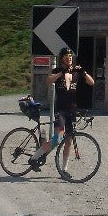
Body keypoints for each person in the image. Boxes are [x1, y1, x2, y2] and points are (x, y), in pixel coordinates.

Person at [29, 47, 94, 177]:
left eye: (70, 57)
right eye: (66, 57)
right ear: (62, 59)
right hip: (61, 110)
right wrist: (61, 73)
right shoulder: (57, 71)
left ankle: (63, 170)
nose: (69, 59)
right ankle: (34, 158)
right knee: (57, 139)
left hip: (72, 110)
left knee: (69, 140)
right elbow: (48, 81)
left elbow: (91, 82)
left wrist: (84, 72)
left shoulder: (76, 72)